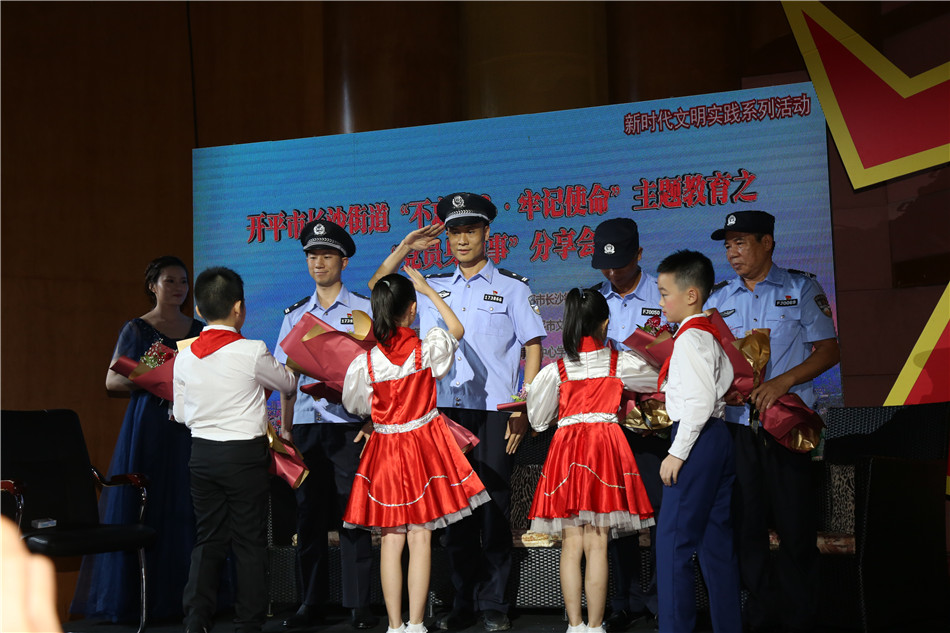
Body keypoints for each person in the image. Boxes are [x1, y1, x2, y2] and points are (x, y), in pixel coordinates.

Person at [369, 192, 546, 632]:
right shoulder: (429, 286)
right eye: (454, 232)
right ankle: (462, 601)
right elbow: (379, 291)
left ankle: (494, 602)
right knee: (454, 512)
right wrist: (404, 248)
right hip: (442, 415)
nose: (462, 240)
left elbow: (532, 346)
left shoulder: (512, 287)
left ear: (487, 232)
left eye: (470, 230)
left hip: (494, 412)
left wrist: (524, 405)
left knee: (494, 507)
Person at [704, 211, 840, 633]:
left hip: (787, 426)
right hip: (737, 427)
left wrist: (783, 381)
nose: (732, 253)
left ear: (767, 243)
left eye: (741, 242)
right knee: (747, 527)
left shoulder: (801, 288)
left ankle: (801, 619)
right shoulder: (717, 298)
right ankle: (760, 616)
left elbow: (829, 350)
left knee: (795, 527)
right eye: (728, 245)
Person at [341, 270, 490, 633]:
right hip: (422, 449)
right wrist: (429, 291)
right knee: (420, 536)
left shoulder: (367, 362)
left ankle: (394, 625)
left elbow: (355, 405)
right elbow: (457, 329)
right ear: (411, 310)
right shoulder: (426, 349)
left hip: (385, 451)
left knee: (391, 540)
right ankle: (416, 623)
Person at [72, 255, 204, 623]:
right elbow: (113, 381)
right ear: (152, 286)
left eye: (183, 281)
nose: (178, 288)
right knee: (148, 504)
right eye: (169, 281)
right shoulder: (138, 329)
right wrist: (151, 374)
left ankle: (190, 599)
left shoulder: (200, 329)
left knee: (189, 506)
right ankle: (140, 601)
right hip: (149, 427)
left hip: (190, 426)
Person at [174, 267, 298, 633]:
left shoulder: (185, 356)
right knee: (248, 542)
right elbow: (288, 383)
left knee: (208, 540)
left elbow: (180, 415)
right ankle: (248, 624)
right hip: (244, 457)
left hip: (202, 456)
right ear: (239, 308)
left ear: (199, 309)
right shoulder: (251, 350)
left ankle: (196, 621)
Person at [526, 288, 657, 633]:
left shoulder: (556, 370)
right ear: (605, 323)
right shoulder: (620, 363)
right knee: (598, 542)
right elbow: (660, 377)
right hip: (604, 450)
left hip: (567, 452)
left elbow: (538, 419)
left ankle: (575, 625)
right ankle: (596, 626)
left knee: (571, 544)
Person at [273, 219, 378, 630]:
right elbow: (286, 378)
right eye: (312, 256)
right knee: (308, 517)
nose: (318, 262)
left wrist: (372, 422)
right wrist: (285, 430)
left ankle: (358, 604)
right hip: (305, 426)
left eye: (327, 255)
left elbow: (380, 372)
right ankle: (311, 602)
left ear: (343, 261)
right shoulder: (295, 315)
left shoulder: (364, 310)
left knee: (354, 514)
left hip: (350, 426)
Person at [654, 250, 742, 633]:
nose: (660, 302)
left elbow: (700, 402)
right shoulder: (709, 334)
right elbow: (722, 384)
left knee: (673, 543)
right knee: (715, 543)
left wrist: (677, 452)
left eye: (664, 293)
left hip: (695, 439)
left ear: (691, 295)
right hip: (717, 437)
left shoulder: (690, 338)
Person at [590, 218, 667, 631]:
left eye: (619, 263)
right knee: (616, 514)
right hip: (608, 423)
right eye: (605, 265)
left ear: (639, 254)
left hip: (654, 421)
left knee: (657, 513)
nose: (612, 272)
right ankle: (624, 599)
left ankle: (659, 599)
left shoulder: (664, 293)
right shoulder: (594, 299)